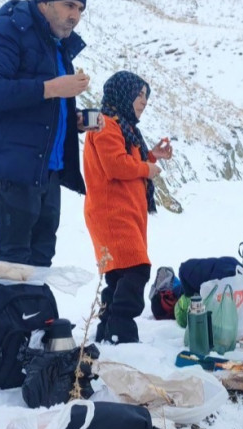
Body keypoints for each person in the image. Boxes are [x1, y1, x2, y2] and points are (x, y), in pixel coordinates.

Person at [0, 0, 96, 267]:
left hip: (48, 170)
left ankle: (35, 310)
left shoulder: (57, 44)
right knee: (13, 264)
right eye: (69, 5)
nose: (75, 16)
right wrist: (52, 88)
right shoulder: (6, 29)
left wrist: (72, 121)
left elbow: (43, 104)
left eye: (80, 10)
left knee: (41, 261)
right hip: (13, 168)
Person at [83, 71, 172, 344]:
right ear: (122, 93)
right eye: (139, 94)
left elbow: (125, 157)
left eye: (146, 96)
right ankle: (120, 330)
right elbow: (115, 165)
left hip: (123, 211)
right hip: (112, 212)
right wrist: (148, 168)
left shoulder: (123, 126)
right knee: (136, 268)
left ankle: (108, 332)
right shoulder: (105, 124)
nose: (143, 101)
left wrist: (150, 155)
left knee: (118, 273)